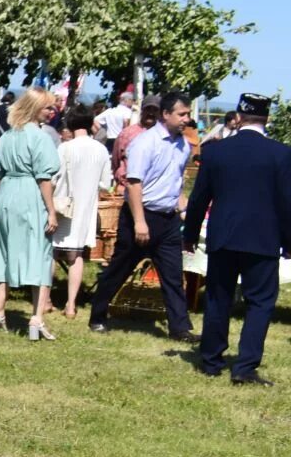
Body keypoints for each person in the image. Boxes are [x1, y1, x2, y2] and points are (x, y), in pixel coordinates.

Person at [185, 93, 291, 384]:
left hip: (224, 235)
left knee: (218, 299)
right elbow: (286, 202)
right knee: (259, 303)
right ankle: (245, 367)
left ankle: (210, 360)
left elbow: (198, 199)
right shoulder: (281, 154)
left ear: (239, 117)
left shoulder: (217, 152)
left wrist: (190, 235)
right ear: (266, 118)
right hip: (263, 237)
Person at [91, 92, 195, 340]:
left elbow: (175, 182)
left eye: (188, 114)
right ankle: (98, 315)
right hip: (141, 215)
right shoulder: (145, 143)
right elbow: (134, 183)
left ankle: (180, 328)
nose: (186, 119)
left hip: (168, 219)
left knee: (172, 274)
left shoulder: (183, 145)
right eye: (182, 114)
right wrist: (139, 222)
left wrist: (183, 209)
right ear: (166, 114)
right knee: (120, 268)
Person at [0, 89, 61, 339]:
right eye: (48, 108)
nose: (52, 112)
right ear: (35, 108)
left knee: (5, 252)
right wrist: (51, 212)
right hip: (29, 196)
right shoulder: (40, 138)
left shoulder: (8, 136)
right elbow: (44, 178)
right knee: (41, 255)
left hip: (6, 195)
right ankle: (37, 318)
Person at [51, 105, 111, 319]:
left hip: (62, 206)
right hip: (86, 208)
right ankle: (71, 304)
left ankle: (46, 299)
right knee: (76, 256)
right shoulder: (101, 150)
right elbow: (106, 183)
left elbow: (53, 177)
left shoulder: (64, 148)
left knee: (52, 252)